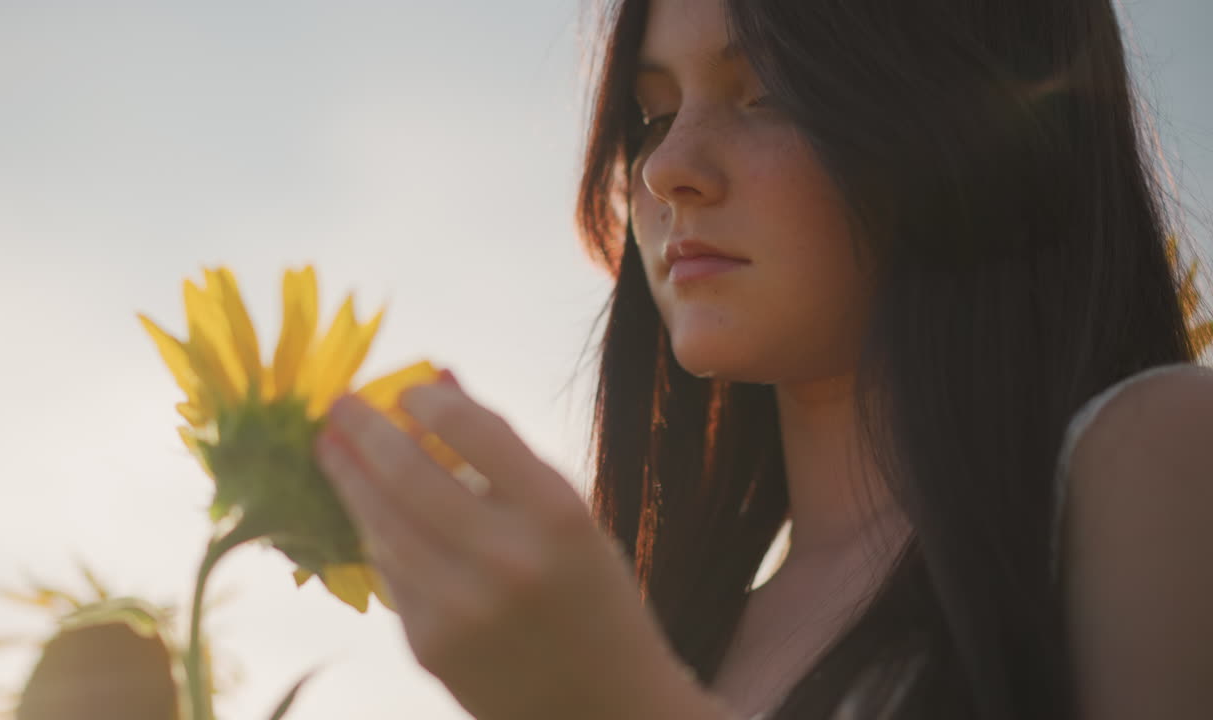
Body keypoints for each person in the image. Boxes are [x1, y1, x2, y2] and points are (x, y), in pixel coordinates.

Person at [314, 0, 1213, 718]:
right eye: (655, 112)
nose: (668, 167)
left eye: (770, 92)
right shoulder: (694, 627)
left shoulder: (1159, 457)